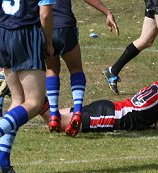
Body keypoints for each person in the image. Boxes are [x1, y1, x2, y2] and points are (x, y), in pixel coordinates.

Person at [0, 0, 55, 173]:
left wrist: (2, 24)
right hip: (26, 35)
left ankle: (3, 164)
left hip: (3, 35)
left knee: (18, 100)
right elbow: (45, 14)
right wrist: (48, 43)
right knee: (34, 102)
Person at [42, 65, 158, 134]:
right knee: (56, 122)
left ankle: (39, 105)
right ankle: (37, 104)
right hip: (113, 118)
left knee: (57, 115)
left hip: (110, 109)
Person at [46, 0, 119, 136]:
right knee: (75, 69)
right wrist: (107, 12)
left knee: (51, 69)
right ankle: (78, 111)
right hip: (65, 25)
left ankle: (54, 115)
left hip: (44, 27)